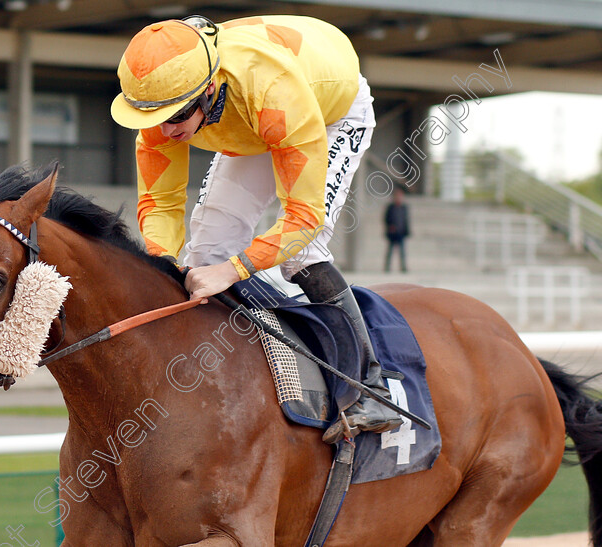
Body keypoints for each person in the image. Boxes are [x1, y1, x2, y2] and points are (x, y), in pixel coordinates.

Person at [110, 15, 401, 442]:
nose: (166, 130)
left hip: (323, 109)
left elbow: (301, 220)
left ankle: (369, 386)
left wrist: (232, 271)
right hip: (249, 121)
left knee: (303, 252)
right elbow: (160, 203)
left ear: (208, 89)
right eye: (153, 117)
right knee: (205, 247)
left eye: (178, 115)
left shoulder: (274, 93)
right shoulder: (159, 114)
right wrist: (162, 265)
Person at [384, 187, 410, 273]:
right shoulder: (391, 207)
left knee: (402, 252)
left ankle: (403, 267)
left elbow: (406, 220)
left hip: (401, 232)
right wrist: (390, 227)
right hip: (392, 232)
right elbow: (386, 219)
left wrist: (406, 230)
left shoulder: (403, 208)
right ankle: (387, 267)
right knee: (390, 251)